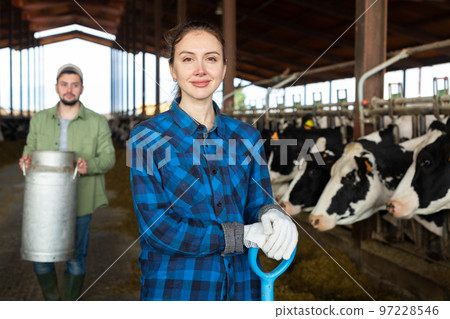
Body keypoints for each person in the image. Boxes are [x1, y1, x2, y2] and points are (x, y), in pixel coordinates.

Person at [129, 21, 298, 301]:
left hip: (244, 288)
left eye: (211, 58)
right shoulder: (146, 137)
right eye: (187, 59)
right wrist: (238, 236)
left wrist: (272, 214)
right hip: (178, 290)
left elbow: (258, 201)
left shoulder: (247, 136)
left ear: (223, 68)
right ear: (172, 70)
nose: (200, 70)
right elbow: (159, 229)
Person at [19, 64, 116, 301]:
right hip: (42, 201)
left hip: (79, 200)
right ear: (56, 87)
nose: (69, 89)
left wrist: (88, 166)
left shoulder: (96, 121)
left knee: (75, 258)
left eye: (74, 85)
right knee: (40, 259)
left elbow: (109, 158)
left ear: (82, 88)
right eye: (64, 84)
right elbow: (29, 148)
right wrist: (26, 159)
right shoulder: (40, 119)